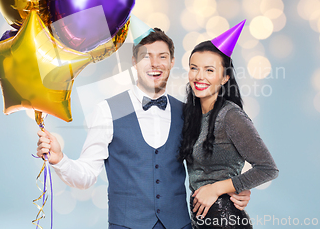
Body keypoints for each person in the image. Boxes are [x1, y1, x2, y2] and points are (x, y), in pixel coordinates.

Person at [36, 27, 252, 229]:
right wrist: (60, 159)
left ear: (172, 62)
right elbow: (87, 177)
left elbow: (208, 166)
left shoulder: (188, 112)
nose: (154, 63)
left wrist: (234, 187)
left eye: (162, 56)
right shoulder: (108, 110)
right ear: (134, 62)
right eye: (145, 56)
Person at [178, 24, 279, 229]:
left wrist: (217, 188)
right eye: (194, 67)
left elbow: (268, 169)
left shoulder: (230, 116)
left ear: (225, 78)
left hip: (225, 219)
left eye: (209, 70)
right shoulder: (189, 115)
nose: (199, 76)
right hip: (201, 220)